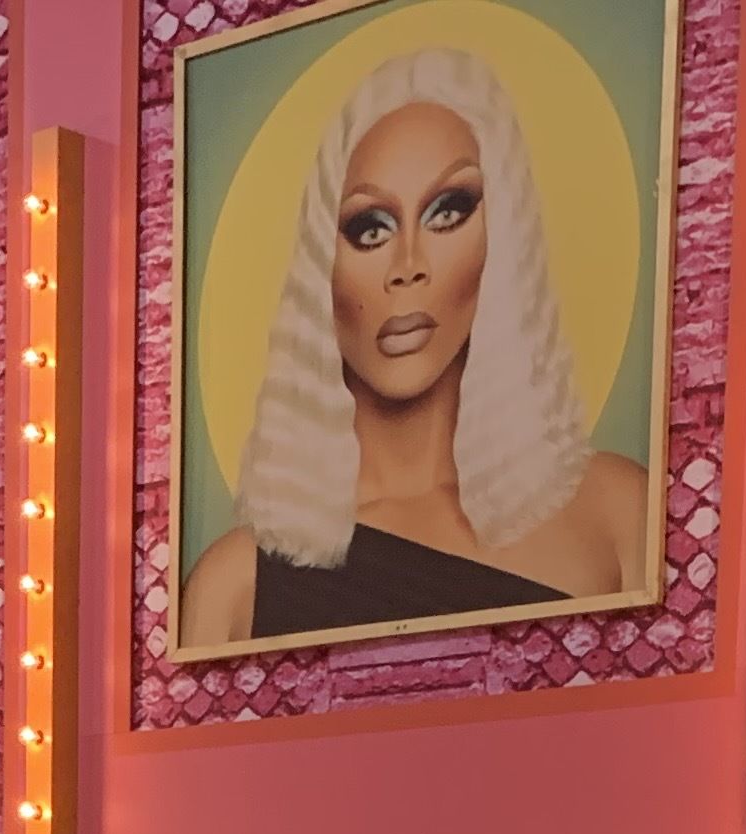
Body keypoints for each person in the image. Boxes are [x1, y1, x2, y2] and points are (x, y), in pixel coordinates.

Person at [181, 48, 650, 646]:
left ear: (502, 240)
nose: (407, 267)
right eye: (369, 228)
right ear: (319, 267)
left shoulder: (614, 511)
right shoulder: (234, 586)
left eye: (447, 212)